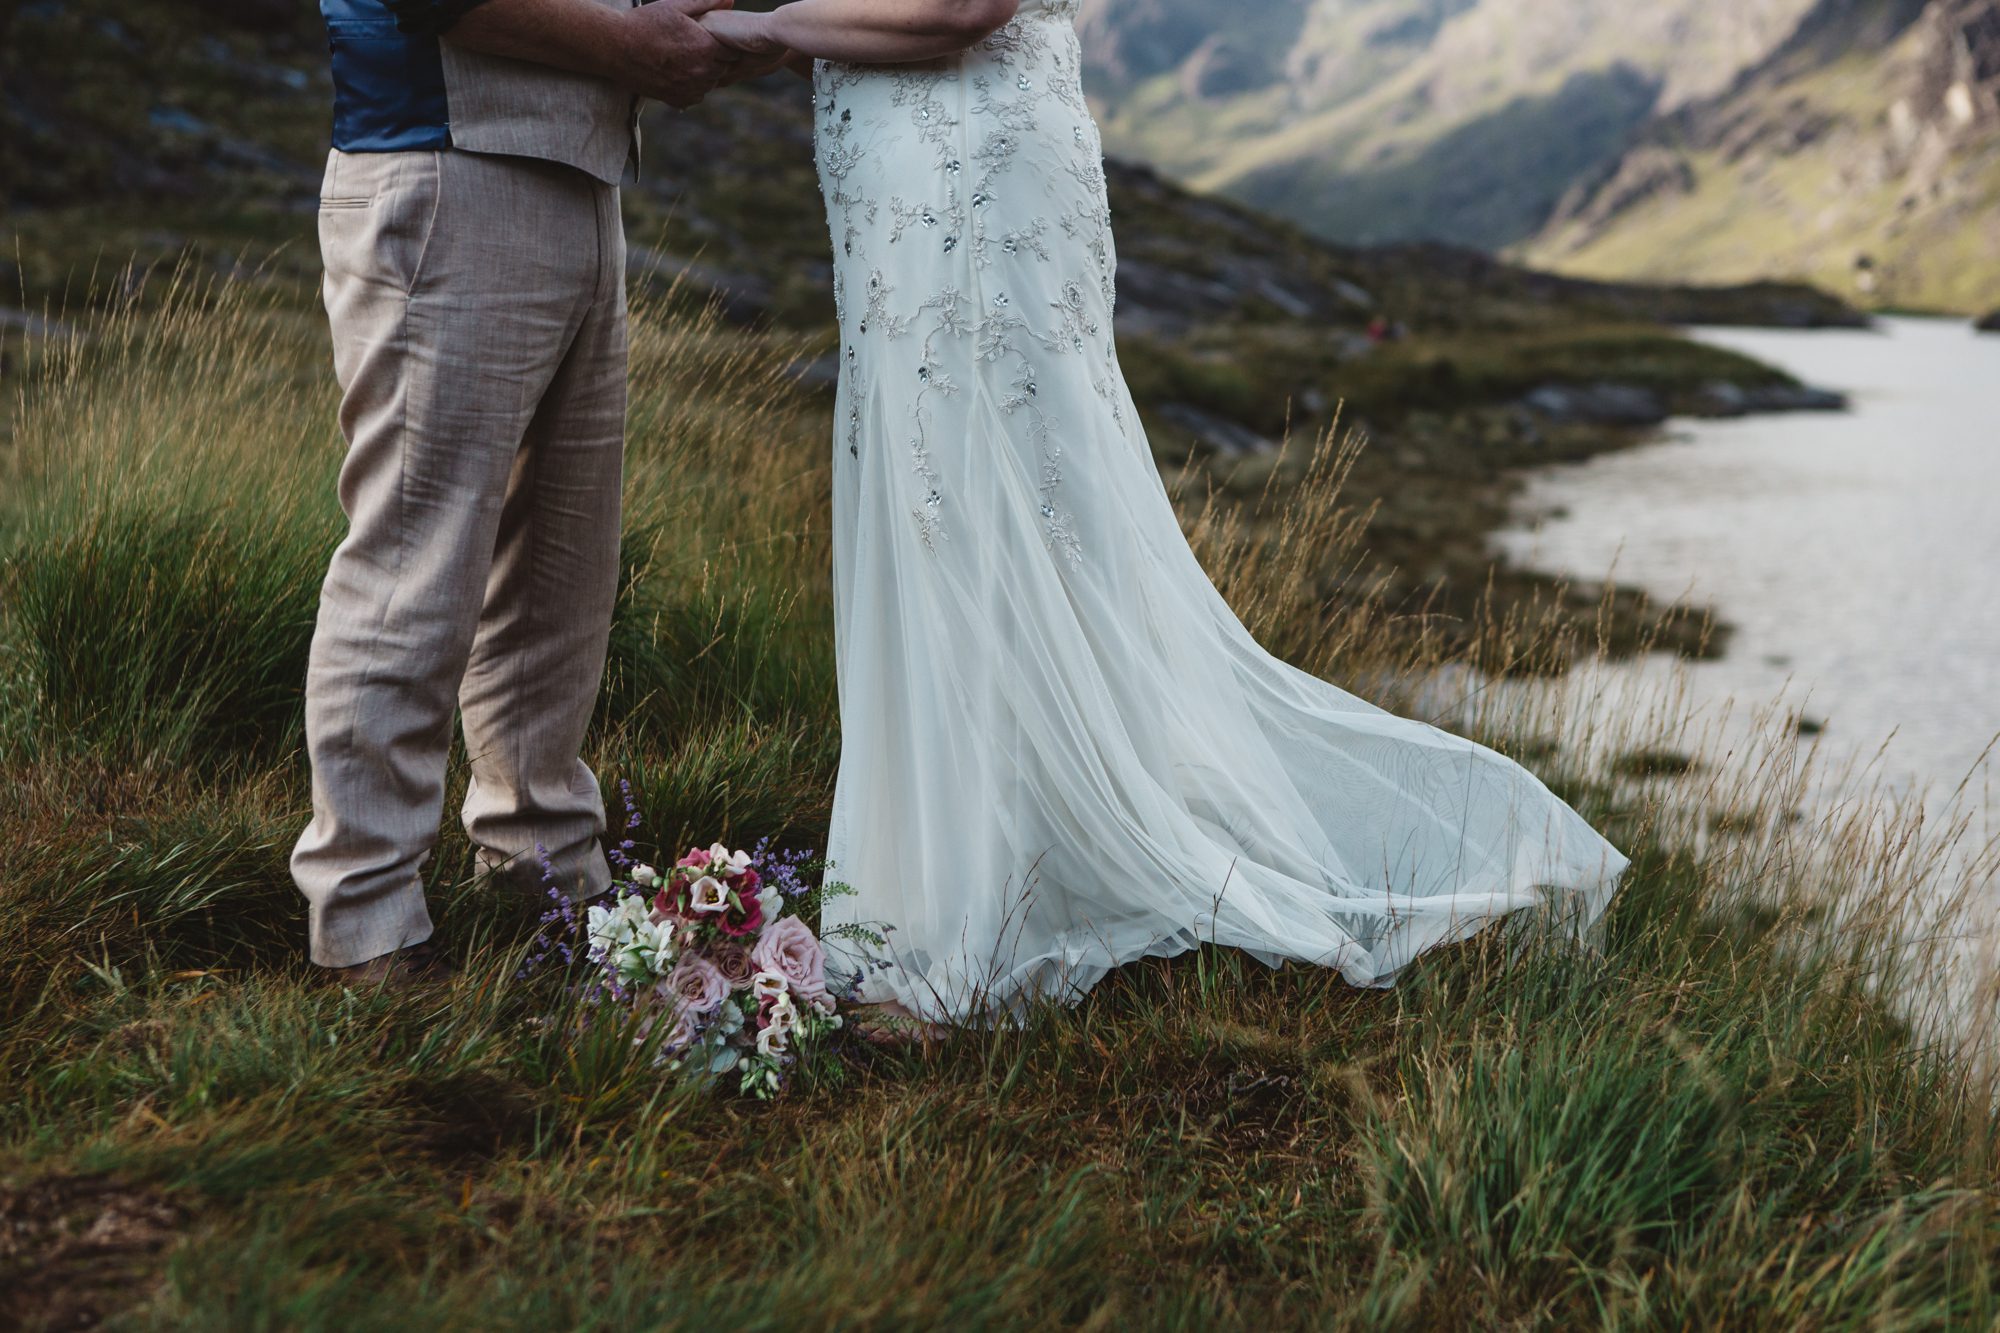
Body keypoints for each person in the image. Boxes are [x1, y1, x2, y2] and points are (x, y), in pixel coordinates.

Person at [697, 0, 1630, 1032]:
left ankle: (982, 914)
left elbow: (958, 9)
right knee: (945, 504)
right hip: (898, 154)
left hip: (957, 157)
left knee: (983, 501)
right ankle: (978, 871)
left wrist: (762, 30)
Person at [294, 0, 782, 986]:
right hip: (441, 164)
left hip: (573, 179)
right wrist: (638, 46)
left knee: (561, 562)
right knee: (416, 562)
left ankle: (543, 865)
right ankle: (366, 918)